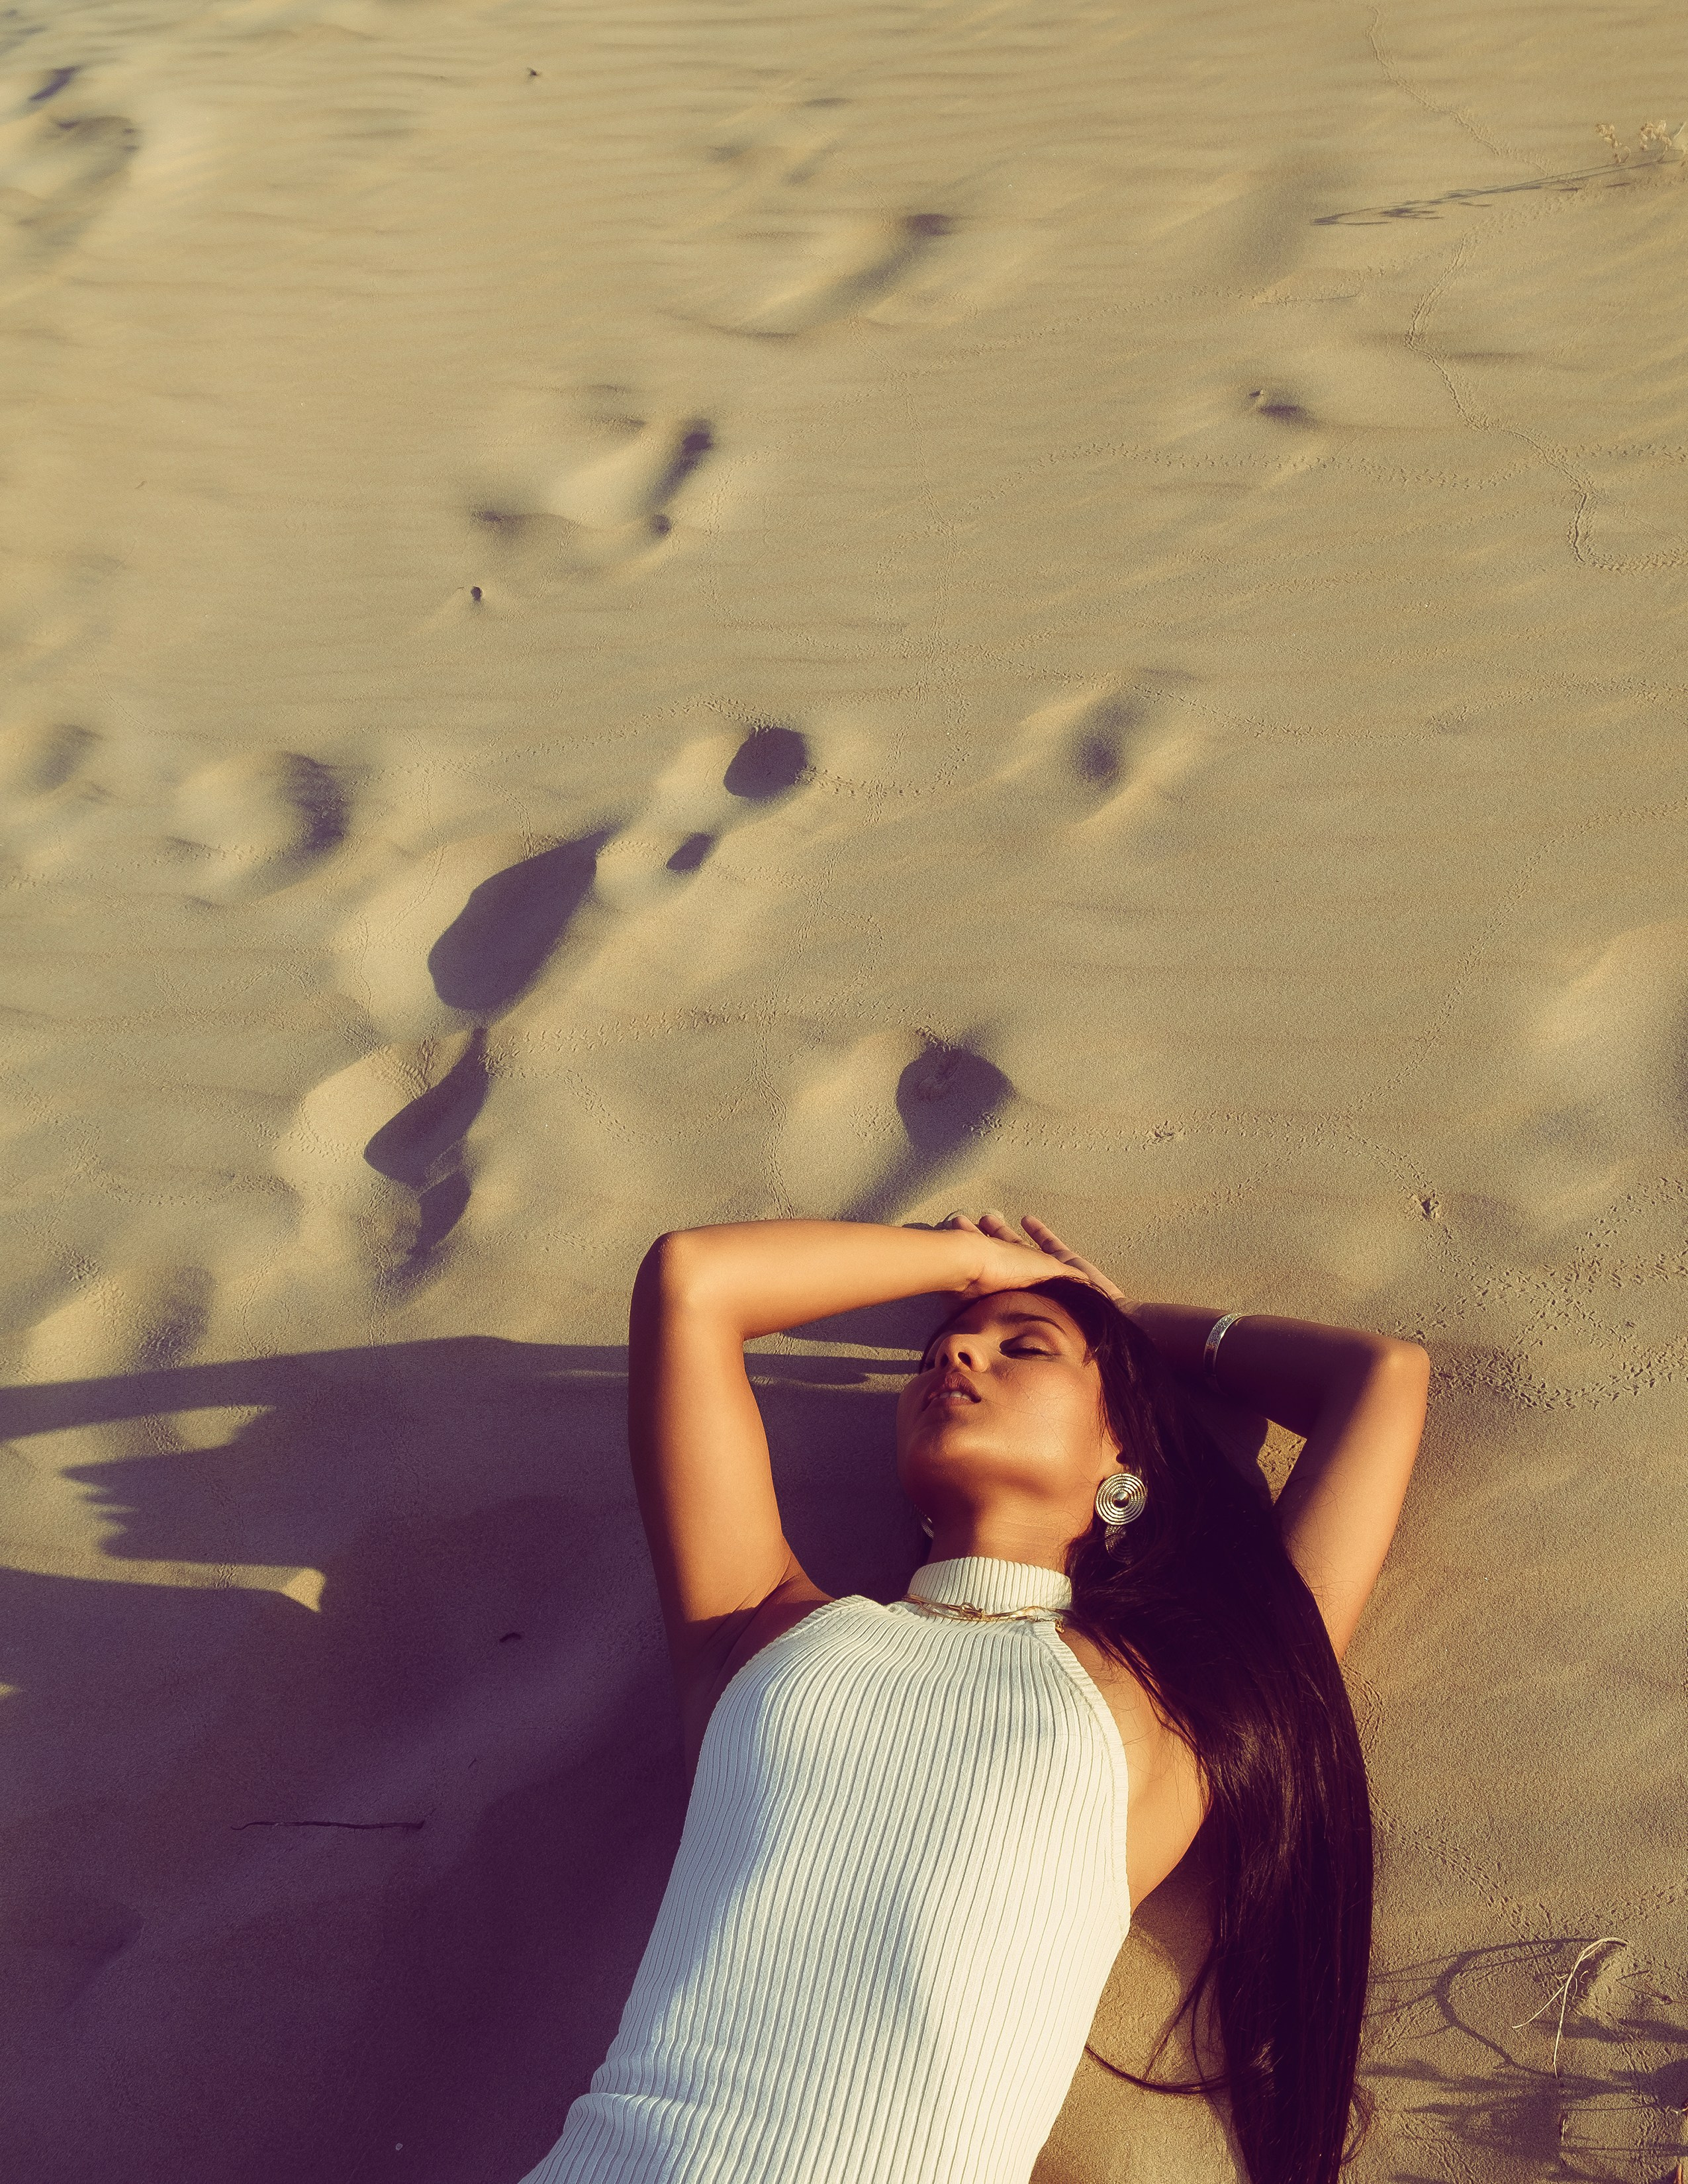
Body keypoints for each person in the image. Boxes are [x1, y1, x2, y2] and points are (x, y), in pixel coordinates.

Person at [518, 1211, 1430, 2184]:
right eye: (941, 1348)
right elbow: (692, 1281)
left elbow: (1378, 1379)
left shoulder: (1186, 1705)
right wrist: (987, 1264)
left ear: (1123, 1448)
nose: (954, 1347)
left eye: (1023, 1347)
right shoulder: (756, 1625)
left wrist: (1123, 1324)